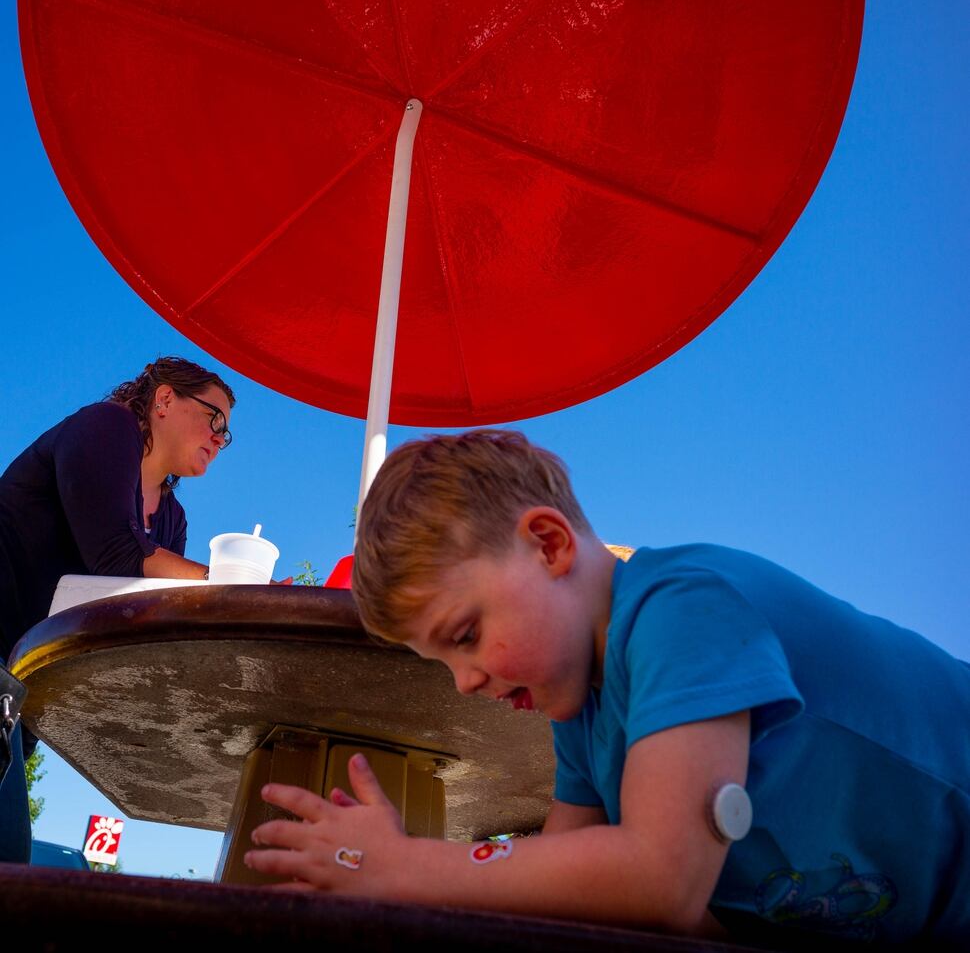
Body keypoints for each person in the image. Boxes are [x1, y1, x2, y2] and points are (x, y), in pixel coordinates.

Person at [245, 429, 969, 946]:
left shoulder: (681, 609)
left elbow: (659, 878)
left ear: (549, 544)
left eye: (463, 635)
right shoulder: (583, 719)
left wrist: (409, 867)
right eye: (441, 662)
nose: (463, 683)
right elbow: (570, 907)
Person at [0, 356, 234, 863]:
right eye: (215, 419)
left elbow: (147, 619)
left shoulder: (172, 518)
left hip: (27, 687)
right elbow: (117, 555)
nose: (220, 438)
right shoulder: (106, 427)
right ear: (166, 400)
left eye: (227, 434)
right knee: (8, 849)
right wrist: (231, 580)